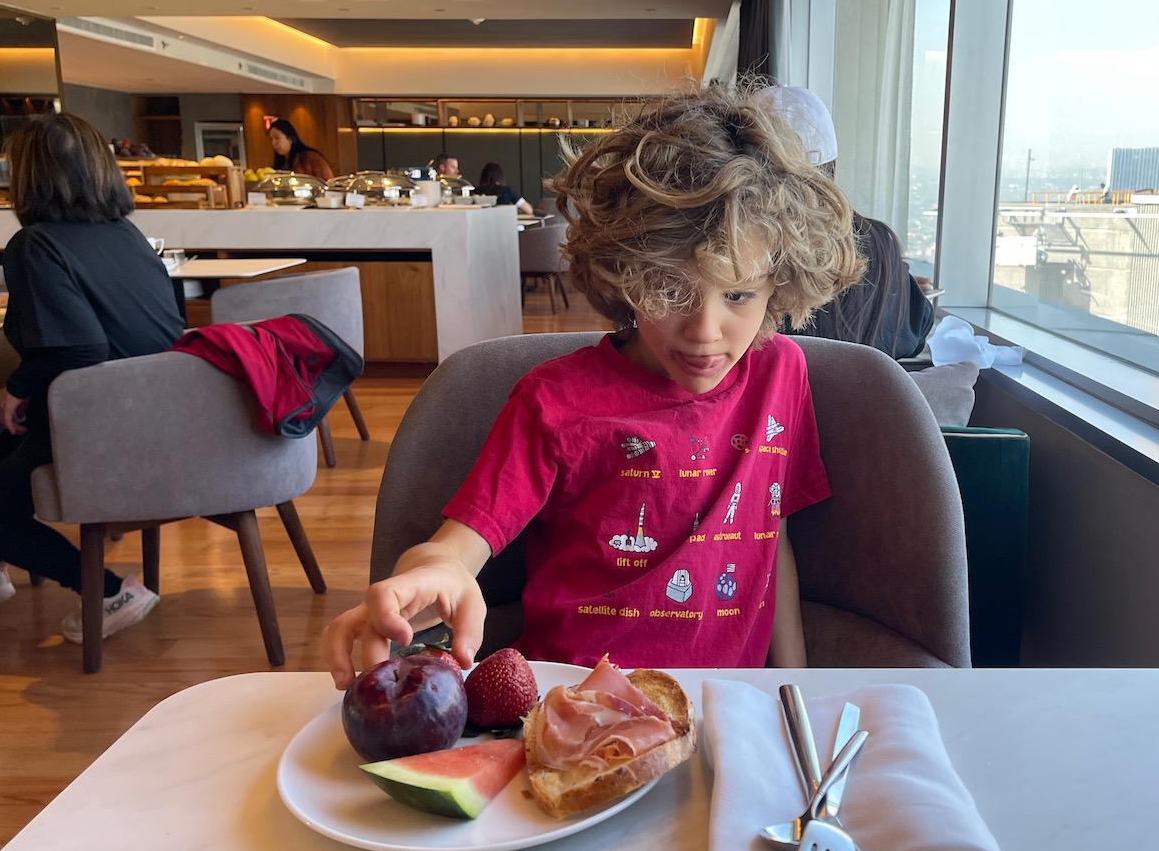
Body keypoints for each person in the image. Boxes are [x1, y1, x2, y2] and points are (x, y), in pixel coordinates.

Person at [322, 84, 863, 688]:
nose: (705, 331)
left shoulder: (780, 374)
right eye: (671, 290)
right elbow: (459, 546)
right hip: (570, 702)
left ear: (778, 286)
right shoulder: (553, 401)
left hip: (724, 706)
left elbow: (771, 536)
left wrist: (798, 686)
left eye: (738, 295)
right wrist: (435, 573)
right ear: (625, 275)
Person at [0, 113, 184, 643]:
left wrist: (20, 384)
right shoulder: (126, 235)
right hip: (165, 419)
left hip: (103, 427)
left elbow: (80, 347)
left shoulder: (36, 244)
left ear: (31, 178)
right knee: (7, 449)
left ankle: (110, 590)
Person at [754, 85, 935, 360]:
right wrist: (894, 284)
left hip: (773, 404)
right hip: (865, 402)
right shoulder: (878, 244)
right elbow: (915, 332)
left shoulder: (738, 248)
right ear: (832, 165)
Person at [267, 119, 333, 181]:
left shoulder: (309, 157)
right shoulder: (281, 162)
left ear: (290, 138)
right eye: (271, 139)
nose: (273, 143)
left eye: (277, 138)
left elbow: (327, 182)